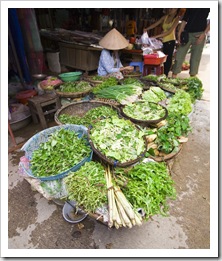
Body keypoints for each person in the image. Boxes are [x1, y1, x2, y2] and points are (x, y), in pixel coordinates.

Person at [172, 8, 210, 78]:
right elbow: (185, 19)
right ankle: (173, 78)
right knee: (179, 55)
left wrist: (204, 33)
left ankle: (192, 80)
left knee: (195, 58)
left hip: (200, 33)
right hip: (187, 33)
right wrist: (179, 33)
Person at [143, 8, 181, 77]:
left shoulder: (177, 19)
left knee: (168, 59)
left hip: (171, 41)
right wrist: (147, 29)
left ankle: (165, 75)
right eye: (170, 8)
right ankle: (163, 74)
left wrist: (155, 36)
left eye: (173, 8)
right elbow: (155, 24)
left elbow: (169, 32)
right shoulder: (165, 17)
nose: (171, 9)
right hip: (164, 41)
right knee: (163, 58)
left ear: (176, 10)